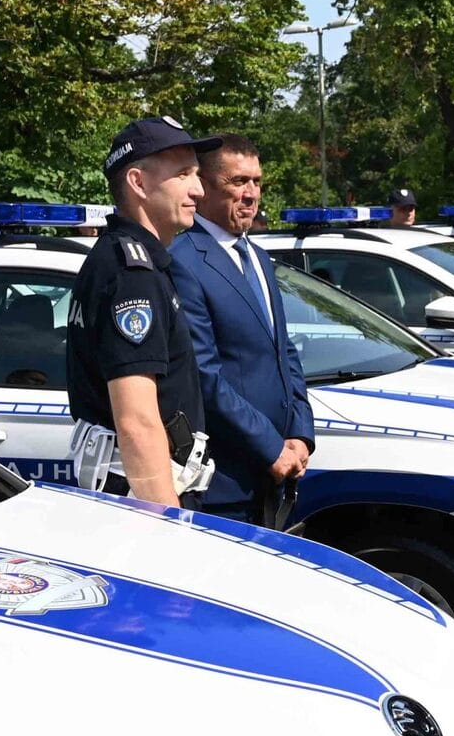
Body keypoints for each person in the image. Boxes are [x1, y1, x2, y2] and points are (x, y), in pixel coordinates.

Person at [66, 116, 217, 507]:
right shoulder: (132, 274)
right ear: (138, 182)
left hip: (137, 488)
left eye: (197, 175)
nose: (198, 190)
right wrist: (169, 525)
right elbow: (137, 422)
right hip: (143, 495)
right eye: (183, 174)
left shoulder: (129, 261)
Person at [169, 134, 316, 526]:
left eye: (257, 182)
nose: (251, 194)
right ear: (204, 187)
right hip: (226, 482)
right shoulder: (183, 261)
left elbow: (283, 351)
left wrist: (300, 433)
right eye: (238, 182)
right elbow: (205, 376)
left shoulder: (258, 257)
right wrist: (271, 448)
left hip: (277, 474)